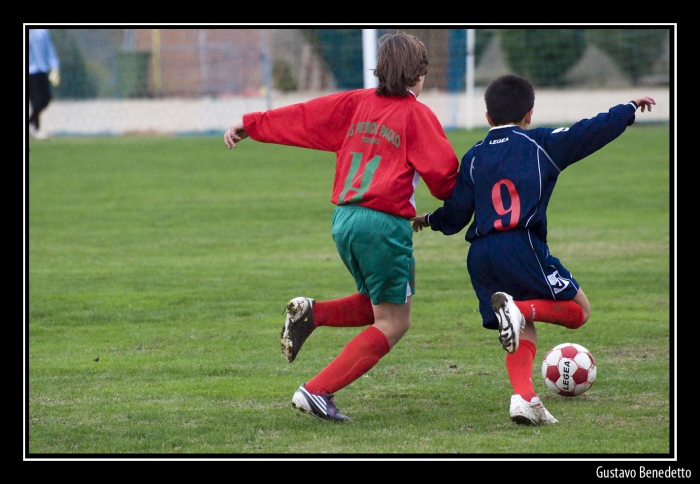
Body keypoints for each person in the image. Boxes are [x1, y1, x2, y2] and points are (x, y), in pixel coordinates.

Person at [224, 31, 459, 422]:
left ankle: (311, 315)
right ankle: (316, 391)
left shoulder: (357, 103)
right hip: (383, 224)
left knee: (377, 305)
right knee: (394, 321)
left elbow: (304, 117)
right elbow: (445, 180)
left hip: (345, 218)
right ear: (419, 75)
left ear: (380, 68)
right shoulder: (417, 115)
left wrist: (253, 124)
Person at [411, 74, 656, 426]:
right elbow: (588, 132)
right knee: (577, 310)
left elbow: (456, 216)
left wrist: (430, 219)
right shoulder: (540, 144)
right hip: (520, 244)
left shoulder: (475, 156)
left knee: (522, 328)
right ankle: (519, 309)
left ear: (488, 118)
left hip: (480, 255)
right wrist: (628, 109)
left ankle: (524, 398)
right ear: (529, 114)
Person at [28, 28, 60, 140]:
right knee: (35, 101)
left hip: (41, 70)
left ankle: (31, 123)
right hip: (29, 72)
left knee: (45, 99)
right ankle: (35, 129)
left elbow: (49, 49)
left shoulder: (42, 31)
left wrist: (54, 67)